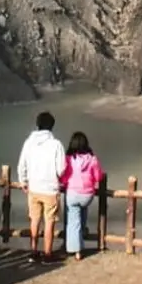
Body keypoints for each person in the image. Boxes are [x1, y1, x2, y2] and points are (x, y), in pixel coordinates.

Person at [17, 111, 66, 263]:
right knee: (49, 221)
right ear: (52, 126)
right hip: (50, 189)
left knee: (34, 220)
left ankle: (33, 251)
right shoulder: (56, 144)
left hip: (34, 188)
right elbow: (61, 168)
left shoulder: (28, 142)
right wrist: (58, 178)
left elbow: (21, 165)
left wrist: (23, 182)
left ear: (37, 125)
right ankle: (47, 254)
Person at [60, 131, 104, 261]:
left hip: (73, 193)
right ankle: (82, 233)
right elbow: (98, 177)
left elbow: (64, 176)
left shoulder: (68, 159)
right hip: (87, 195)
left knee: (73, 222)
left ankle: (77, 250)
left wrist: (62, 183)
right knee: (81, 213)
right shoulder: (92, 159)